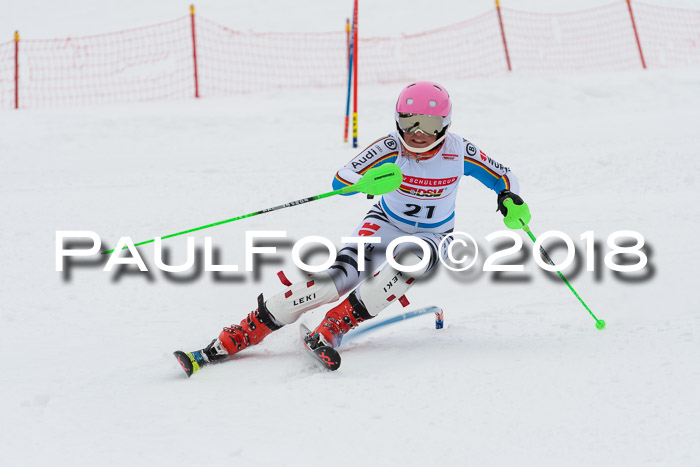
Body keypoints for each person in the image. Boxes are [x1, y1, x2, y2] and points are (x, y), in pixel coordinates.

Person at [175, 81, 529, 376]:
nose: (419, 134)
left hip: (433, 235)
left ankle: (336, 325)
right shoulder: (390, 147)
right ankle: (240, 333)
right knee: (334, 281)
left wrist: (508, 198)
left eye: (430, 125)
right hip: (385, 224)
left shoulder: (459, 151)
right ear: (398, 121)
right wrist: (368, 182)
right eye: (410, 123)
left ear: (446, 125)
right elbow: (340, 179)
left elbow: (502, 174)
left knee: (413, 262)